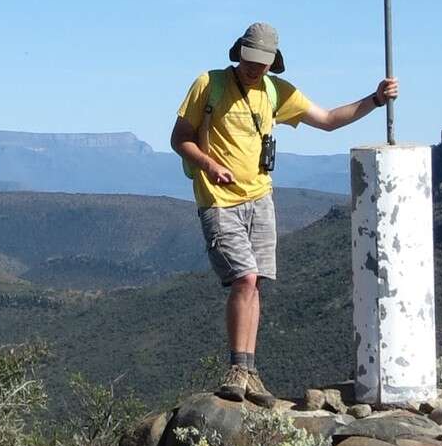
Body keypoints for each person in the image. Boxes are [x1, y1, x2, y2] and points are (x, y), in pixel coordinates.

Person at [170, 21, 398, 398]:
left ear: (272, 62)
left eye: (261, 62)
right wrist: (210, 164)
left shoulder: (275, 92)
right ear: (238, 53)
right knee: (243, 278)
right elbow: (179, 138)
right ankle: (236, 369)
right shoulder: (208, 84)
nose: (253, 68)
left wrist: (374, 100)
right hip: (218, 199)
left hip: (260, 198)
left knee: (255, 282)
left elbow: (327, 121)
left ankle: (248, 369)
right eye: (249, 59)